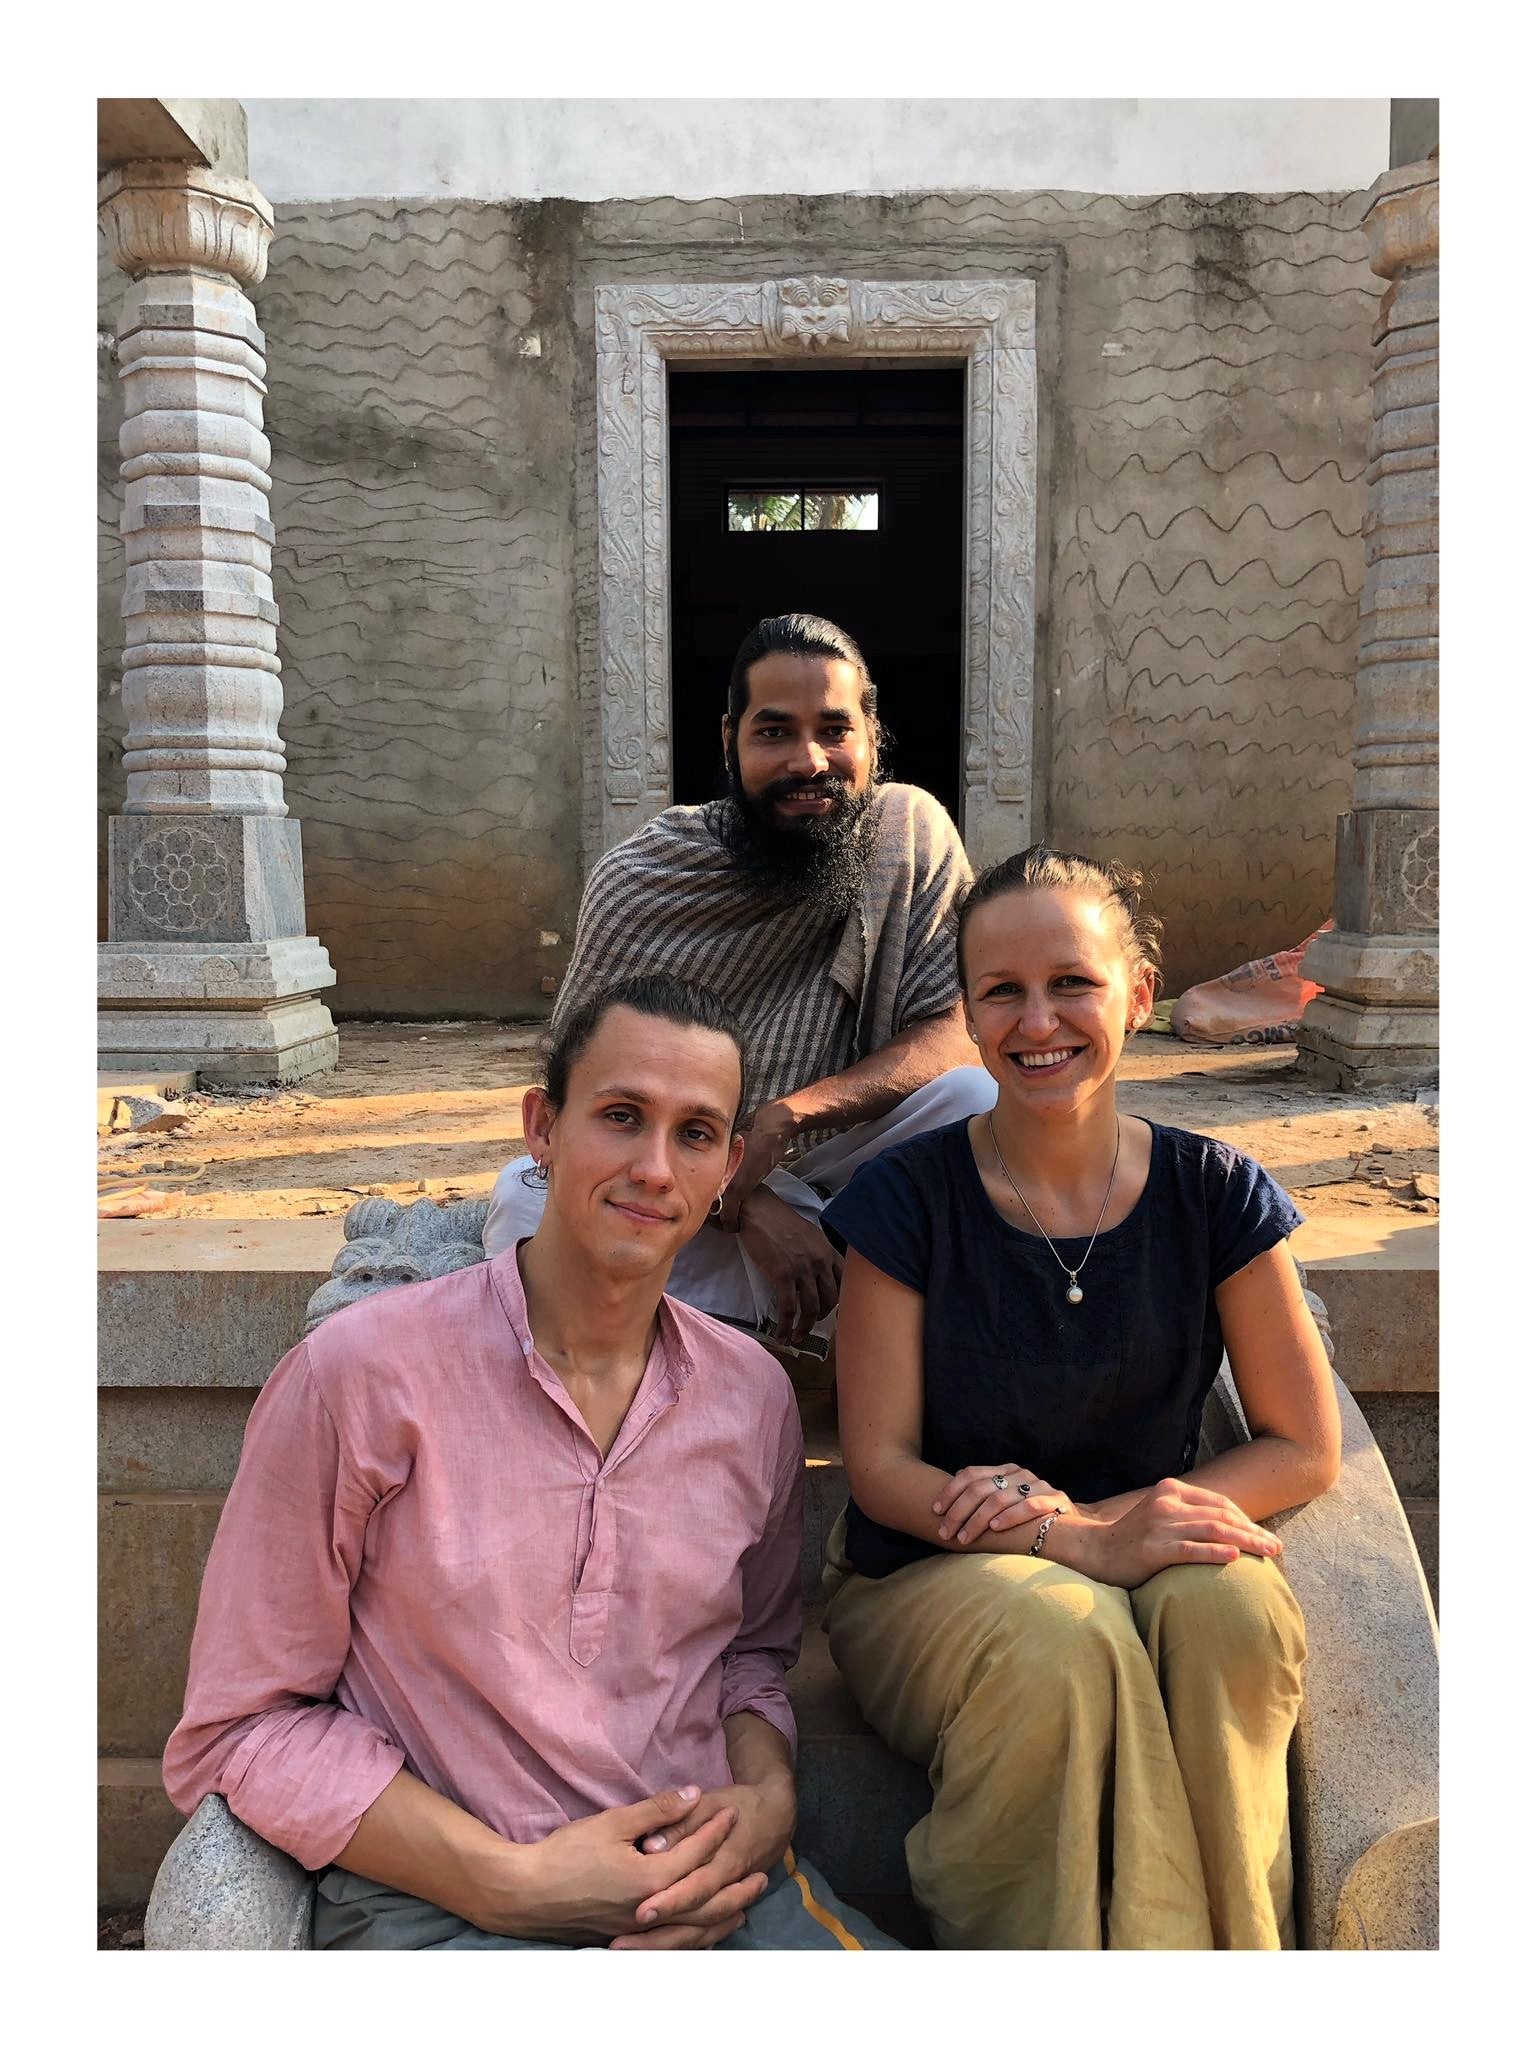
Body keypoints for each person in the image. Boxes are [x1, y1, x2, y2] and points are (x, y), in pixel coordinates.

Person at [163, 973, 900, 1951]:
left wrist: (765, 1794)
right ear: (541, 1128)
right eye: (621, 1115)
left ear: (730, 1167)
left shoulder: (748, 1396)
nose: (652, 1165)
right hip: (443, 1905)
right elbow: (240, 1725)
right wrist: (509, 1881)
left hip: (707, 1891)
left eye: (693, 1133)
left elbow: (748, 1656)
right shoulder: (361, 1376)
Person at [818, 847, 1342, 1949]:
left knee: (1231, 1609)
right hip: (937, 1572)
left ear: (1139, 994)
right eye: (1000, 990)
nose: (1036, 1018)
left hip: (1140, 1540)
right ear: (967, 1011)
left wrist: (1127, 1523)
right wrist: (1073, 1536)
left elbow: (1302, 1441)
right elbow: (883, 1467)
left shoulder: (1217, 1192)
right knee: (1067, 1636)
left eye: (1073, 982)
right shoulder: (903, 1200)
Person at [485, 613, 994, 1350]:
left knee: (977, 1103)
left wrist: (783, 1120)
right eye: (774, 732)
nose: (808, 760)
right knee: (521, 1204)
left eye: (834, 730)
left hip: (847, 1176)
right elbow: (585, 1102)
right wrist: (739, 1194)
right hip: (683, 1180)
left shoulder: (907, 836)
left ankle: (754, 1323)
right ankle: (853, 1318)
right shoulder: (643, 880)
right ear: (730, 741)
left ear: (871, 739)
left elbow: (954, 1032)